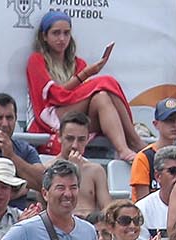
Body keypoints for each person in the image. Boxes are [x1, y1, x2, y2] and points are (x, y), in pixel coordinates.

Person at [25, 12, 141, 162]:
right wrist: (85, 74)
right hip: (51, 116)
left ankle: (124, 149)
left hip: (78, 118)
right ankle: (135, 141)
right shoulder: (37, 60)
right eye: (56, 33)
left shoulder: (78, 63)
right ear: (44, 36)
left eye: (66, 33)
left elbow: (82, 97)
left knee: (101, 97)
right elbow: (55, 96)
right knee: (106, 81)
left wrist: (84, 73)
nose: (62, 38)